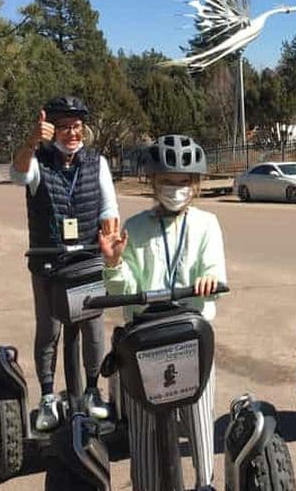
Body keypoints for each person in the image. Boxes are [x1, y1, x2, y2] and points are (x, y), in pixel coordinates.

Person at [98, 134, 225, 491]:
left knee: (200, 414)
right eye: (167, 181)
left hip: (190, 333)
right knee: (143, 421)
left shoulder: (206, 224)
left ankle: (205, 482)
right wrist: (113, 263)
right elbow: (122, 289)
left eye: (183, 182)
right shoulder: (135, 228)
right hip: (145, 338)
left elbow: (213, 267)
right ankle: (146, 484)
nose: (175, 188)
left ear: (195, 184)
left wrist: (209, 278)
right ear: (152, 182)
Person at [10, 96, 118, 430]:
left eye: (76, 126)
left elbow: (108, 206)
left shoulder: (96, 162)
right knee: (49, 329)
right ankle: (46, 395)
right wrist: (31, 142)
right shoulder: (38, 160)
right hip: (48, 262)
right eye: (63, 127)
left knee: (93, 326)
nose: (71, 133)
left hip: (86, 259)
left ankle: (91, 390)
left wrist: (110, 232)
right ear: (52, 130)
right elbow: (17, 175)